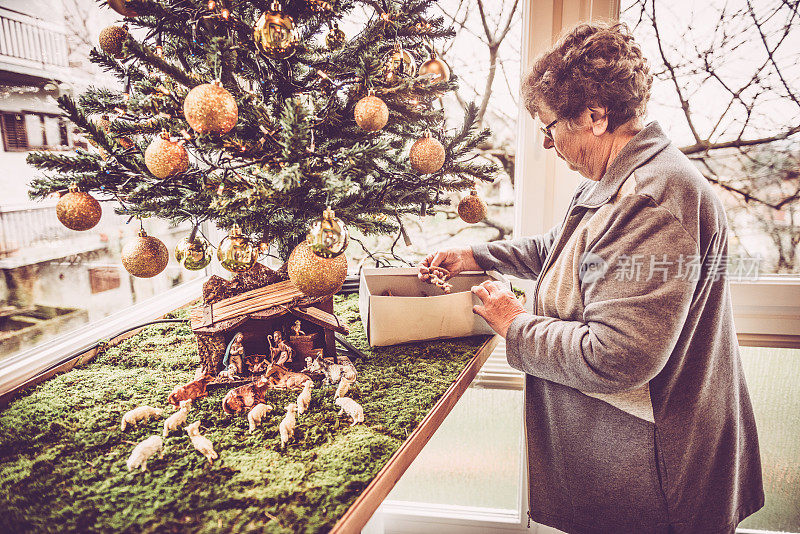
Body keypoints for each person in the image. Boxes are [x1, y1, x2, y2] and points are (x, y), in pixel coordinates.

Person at [419, 22, 763, 534]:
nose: (548, 141)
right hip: (635, 457)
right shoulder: (620, 176)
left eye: (551, 125)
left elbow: (618, 356)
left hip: (656, 473)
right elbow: (560, 251)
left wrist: (514, 323)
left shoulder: (652, 200)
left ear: (595, 116)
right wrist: (474, 254)